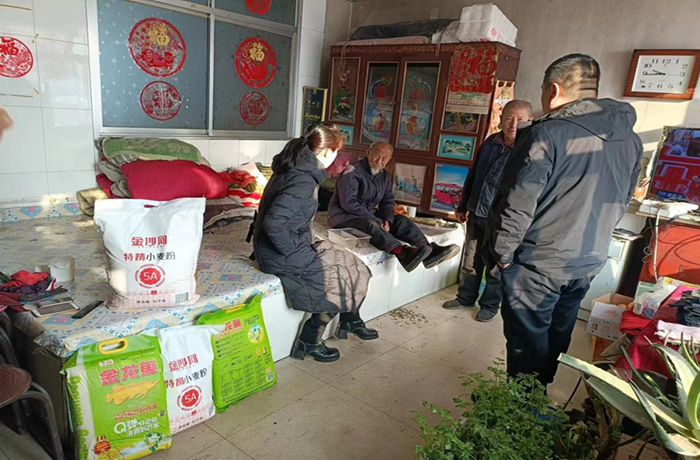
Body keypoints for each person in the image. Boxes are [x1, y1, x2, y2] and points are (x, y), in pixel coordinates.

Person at [487, 54, 642, 387]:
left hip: (540, 261)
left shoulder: (547, 134)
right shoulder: (630, 139)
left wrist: (503, 255)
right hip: (587, 258)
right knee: (559, 328)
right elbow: (622, 199)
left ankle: (522, 408)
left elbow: (517, 202)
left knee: (527, 338)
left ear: (553, 90)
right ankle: (539, 393)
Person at [253, 123, 377, 363]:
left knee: (353, 264)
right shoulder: (302, 180)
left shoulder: (296, 167)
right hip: (278, 253)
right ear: (329, 152)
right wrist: (294, 251)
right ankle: (310, 340)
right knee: (338, 279)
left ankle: (350, 319)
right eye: (337, 152)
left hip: (288, 244)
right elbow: (274, 223)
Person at [443, 100, 533, 322]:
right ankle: (465, 297)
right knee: (471, 260)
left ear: (530, 121)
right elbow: (473, 175)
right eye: (509, 118)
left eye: (520, 120)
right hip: (477, 212)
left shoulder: (530, 149)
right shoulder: (490, 143)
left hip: (504, 220)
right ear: (501, 120)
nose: (513, 124)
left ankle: (490, 305)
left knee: (496, 264)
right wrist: (463, 205)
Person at [328, 141, 460, 272]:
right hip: (343, 217)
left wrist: (387, 219)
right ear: (368, 153)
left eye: (384, 158)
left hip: (367, 214)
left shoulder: (384, 176)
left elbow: (388, 201)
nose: (379, 161)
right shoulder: (352, 171)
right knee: (371, 225)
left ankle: (428, 250)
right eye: (377, 155)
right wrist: (376, 220)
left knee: (401, 220)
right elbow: (348, 203)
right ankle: (403, 253)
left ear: (389, 160)